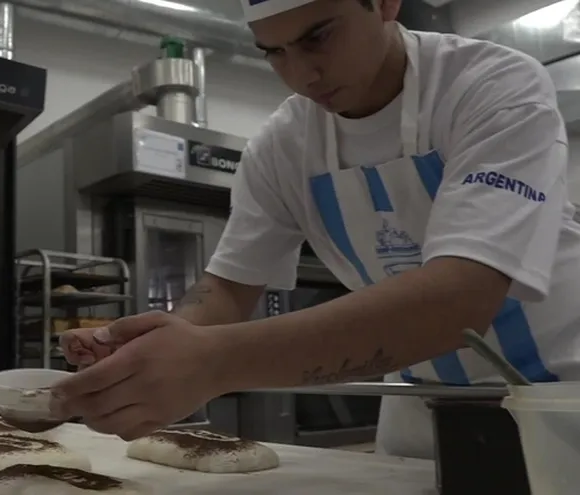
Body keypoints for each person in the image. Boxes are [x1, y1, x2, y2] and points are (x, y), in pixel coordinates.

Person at [49, 0, 580, 459]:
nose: (302, 75)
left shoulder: (492, 87)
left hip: (562, 397)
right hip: (421, 408)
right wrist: (153, 345)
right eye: (274, 52)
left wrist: (212, 363)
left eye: (318, 36)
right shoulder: (283, 147)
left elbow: (459, 300)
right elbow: (228, 288)